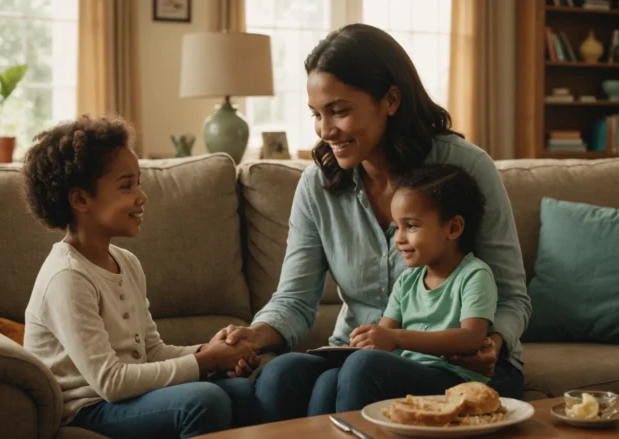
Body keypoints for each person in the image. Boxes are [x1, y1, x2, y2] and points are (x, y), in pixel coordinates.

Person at [218, 22, 530, 422]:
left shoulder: (464, 168)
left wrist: (492, 341)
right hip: (358, 357)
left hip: (458, 367)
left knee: (356, 372)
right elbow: (294, 300)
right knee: (281, 372)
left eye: (340, 111)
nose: (326, 130)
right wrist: (252, 338)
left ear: (391, 100)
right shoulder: (317, 185)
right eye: (317, 114)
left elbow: (511, 296)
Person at [21, 115, 258, 438]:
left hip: (127, 397)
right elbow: (111, 382)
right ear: (80, 199)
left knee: (241, 391)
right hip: (89, 409)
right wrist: (206, 363)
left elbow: (153, 351)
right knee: (203, 401)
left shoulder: (126, 262)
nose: (141, 196)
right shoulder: (68, 278)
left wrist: (208, 351)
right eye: (126, 186)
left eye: (139, 182)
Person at [342, 163, 496, 409]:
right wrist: (369, 339)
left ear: (453, 228)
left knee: (363, 367)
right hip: (412, 372)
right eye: (396, 227)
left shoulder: (475, 274)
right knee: (331, 378)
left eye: (411, 226)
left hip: (454, 380)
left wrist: (396, 338)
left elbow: (471, 338)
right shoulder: (407, 280)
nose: (399, 239)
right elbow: (383, 338)